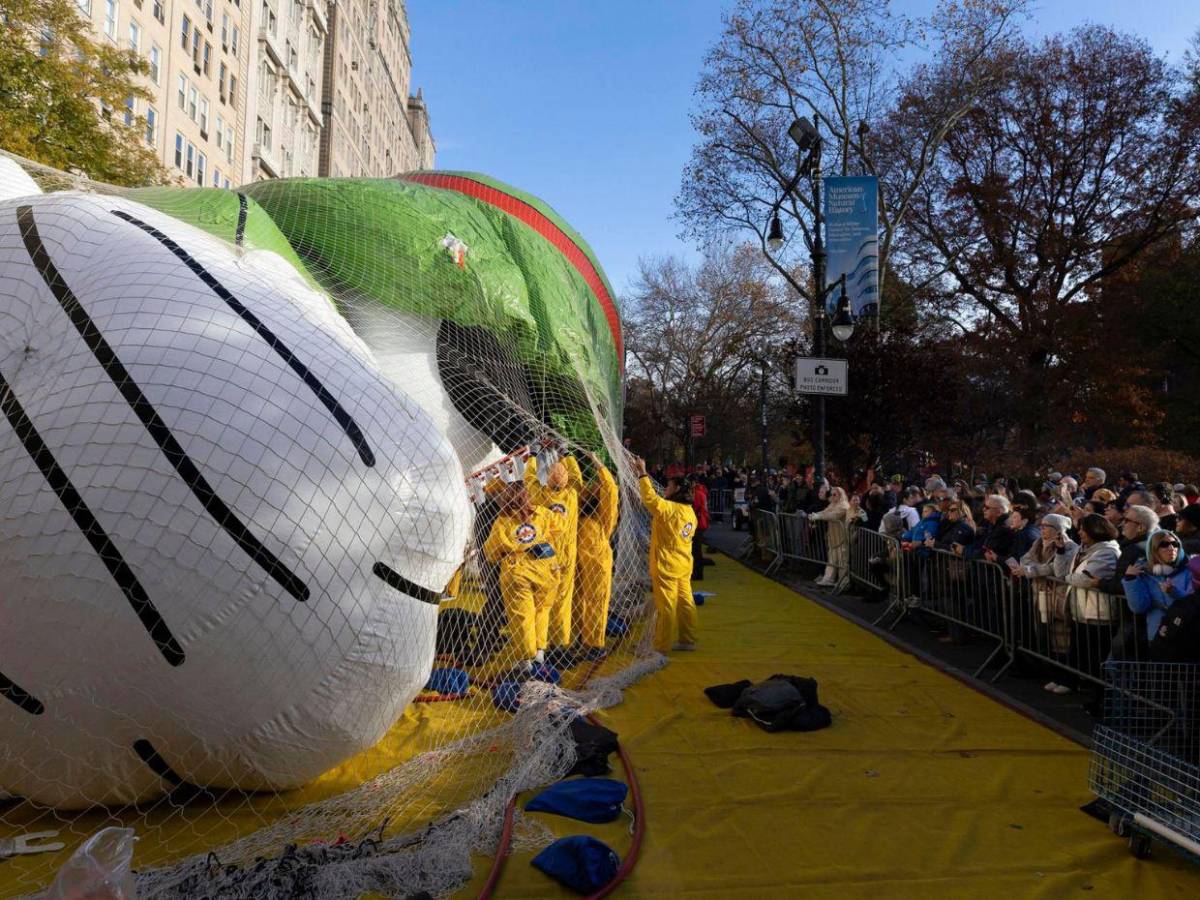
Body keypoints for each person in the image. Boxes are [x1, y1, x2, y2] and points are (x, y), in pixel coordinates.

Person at [483, 482, 565, 676]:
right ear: (527, 496)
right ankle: (539, 654)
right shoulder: (544, 514)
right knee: (542, 611)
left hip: (518, 573)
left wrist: (512, 549)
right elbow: (561, 526)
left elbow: (491, 552)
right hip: (547, 570)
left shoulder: (503, 522)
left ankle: (525, 662)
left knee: (522, 616)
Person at [633, 456, 699, 653]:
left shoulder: (669, 509)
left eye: (669, 486)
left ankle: (660, 647)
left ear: (677, 489)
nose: (666, 489)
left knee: (666, 607)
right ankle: (688, 639)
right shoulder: (690, 513)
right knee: (686, 603)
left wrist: (642, 473)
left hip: (667, 566)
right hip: (683, 564)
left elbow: (650, 499)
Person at [526, 451, 582, 664]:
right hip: (567, 558)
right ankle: (561, 643)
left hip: (546, 558)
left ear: (548, 478)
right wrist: (567, 455)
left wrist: (531, 457)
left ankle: (541, 644)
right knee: (563, 602)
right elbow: (577, 479)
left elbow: (529, 479)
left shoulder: (541, 496)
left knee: (543, 603)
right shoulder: (572, 496)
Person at [575, 453, 620, 661]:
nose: (587, 490)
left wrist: (598, 465)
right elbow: (576, 482)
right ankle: (582, 641)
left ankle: (592, 643)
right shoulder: (579, 516)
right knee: (579, 602)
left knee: (594, 602)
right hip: (583, 564)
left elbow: (610, 490)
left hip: (595, 564)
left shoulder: (602, 519)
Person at [1123, 530, 1194, 648]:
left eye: (1175, 544)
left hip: (1186, 634)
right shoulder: (1144, 572)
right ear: (1154, 550)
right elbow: (1139, 607)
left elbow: (1193, 604)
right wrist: (1131, 580)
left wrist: (1174, 592)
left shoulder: (1190, 570)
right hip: (1157, 633)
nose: (1171, 548)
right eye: (1164, 545)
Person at [810, 487, 856, 588]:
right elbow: (826, 511)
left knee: (842, 560)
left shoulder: (844, 505)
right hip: (834, 537)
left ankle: (843, 582)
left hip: (842, 537)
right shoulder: (833, 504)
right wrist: (817, 514)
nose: (832, 496)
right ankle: (828, 579)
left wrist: (819, 517)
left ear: (840, 495)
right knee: (832, 559)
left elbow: (834, 515)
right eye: (831, 494)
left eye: (835, 494)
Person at [690, 474, 710, 580]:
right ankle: (697, 572)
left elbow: (694, 508)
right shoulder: (701, 493)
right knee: (696, 549)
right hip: (701, 522)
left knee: (696, 550)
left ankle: (697, 573)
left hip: (697, 523)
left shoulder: (697, 494)